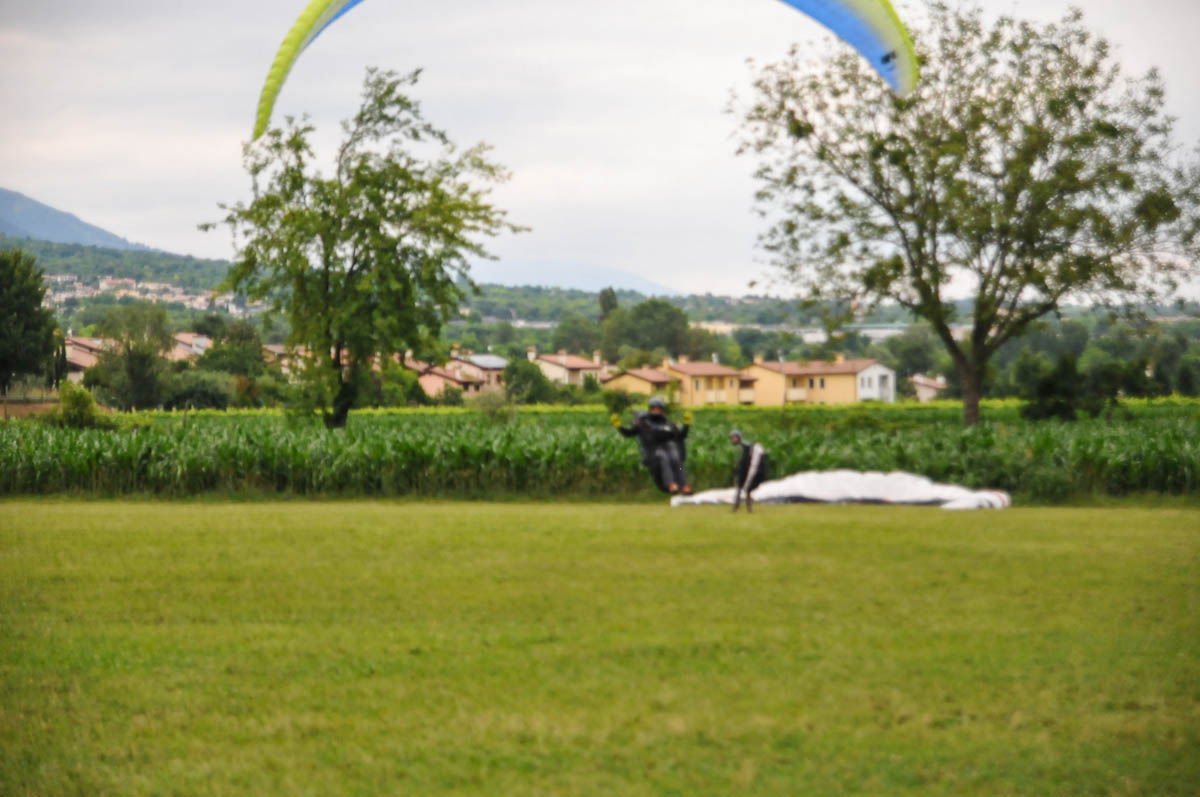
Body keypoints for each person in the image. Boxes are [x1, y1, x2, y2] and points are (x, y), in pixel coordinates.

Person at [612, 397, 693, 495]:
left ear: (662, 409)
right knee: (663, 457)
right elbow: (628, 433)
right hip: (653, 449)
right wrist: (618, 426)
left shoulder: (667, 423)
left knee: (676, 458)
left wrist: (686, 425)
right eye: (654, 408)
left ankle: (684, 485)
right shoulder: (643, 423)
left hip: (668, 446)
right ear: (650, 409)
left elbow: (681, 436)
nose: (656, 410)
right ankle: (671, 484)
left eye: (659, 408)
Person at [729, 429, 769, 512]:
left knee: (747, 490)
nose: (733, 439)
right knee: (739, 489)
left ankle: (748, 507)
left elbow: (749, 457)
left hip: (745, 470)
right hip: (740, 470)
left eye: (735, 438)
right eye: (732, 438)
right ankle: (736, 506)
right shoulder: (736, 448)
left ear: (739, 438)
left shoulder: (744, 446)